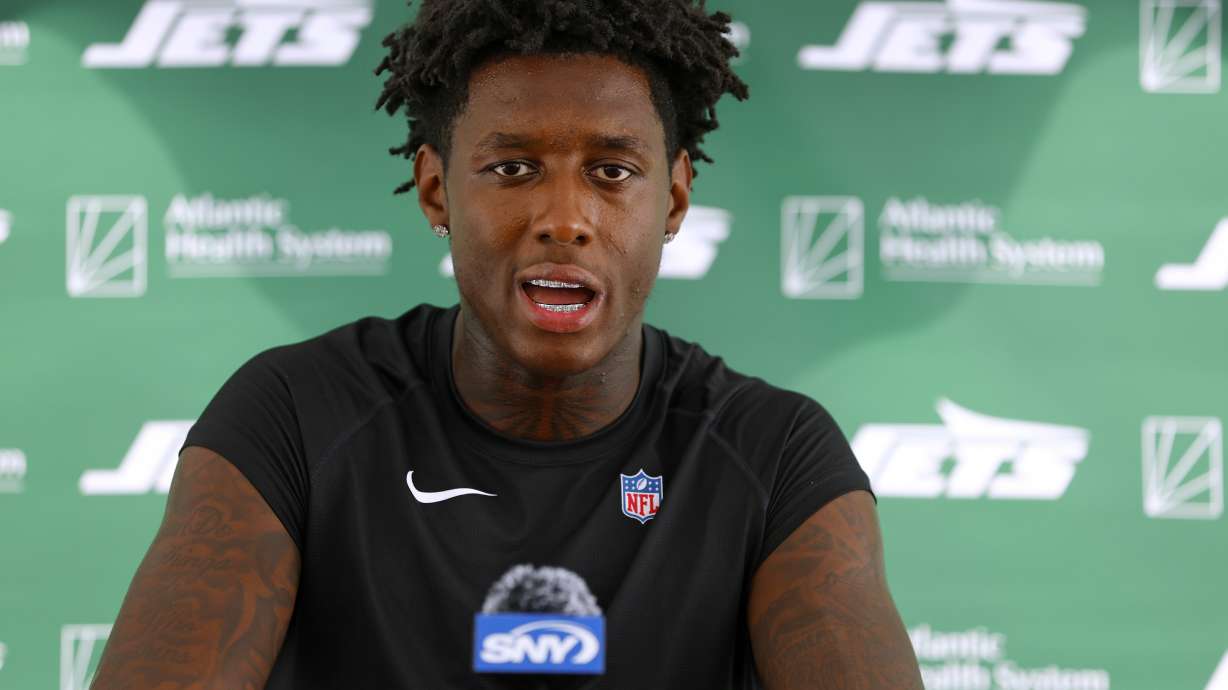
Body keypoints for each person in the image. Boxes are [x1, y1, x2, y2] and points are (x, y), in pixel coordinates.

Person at [91, 1, 923, 687]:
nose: (564, 219)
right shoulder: (296, 416)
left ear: (673, 201)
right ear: (434, 190)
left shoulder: (774, 452)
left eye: (611, 171)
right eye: (514, 169)